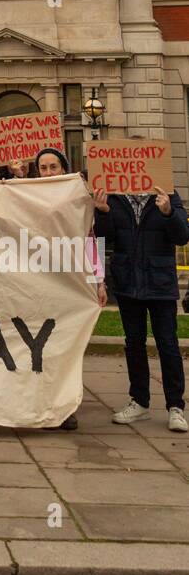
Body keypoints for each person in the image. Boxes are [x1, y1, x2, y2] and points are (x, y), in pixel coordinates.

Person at [92, 179, 189, 434]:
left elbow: (182, 236)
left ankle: (175, 407)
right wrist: (102, 213)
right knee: (134, 343)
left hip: (160, 284)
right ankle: (139, 402)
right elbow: (104, 238)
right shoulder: (114, 198)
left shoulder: (168, 194)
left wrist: (168, 212)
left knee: (167, 344)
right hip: (128, 283)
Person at [33, 146, 108, 432]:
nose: (49, 172)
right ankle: (42, 402)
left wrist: (99, 281)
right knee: (41, 349)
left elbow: (91, 240)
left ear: (63, 169)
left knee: (68, 350)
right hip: (39, 285)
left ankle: (66, 408)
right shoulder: (26, 195)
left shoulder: (79, 199)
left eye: (54, 167)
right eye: (44, 168)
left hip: (70, 286)